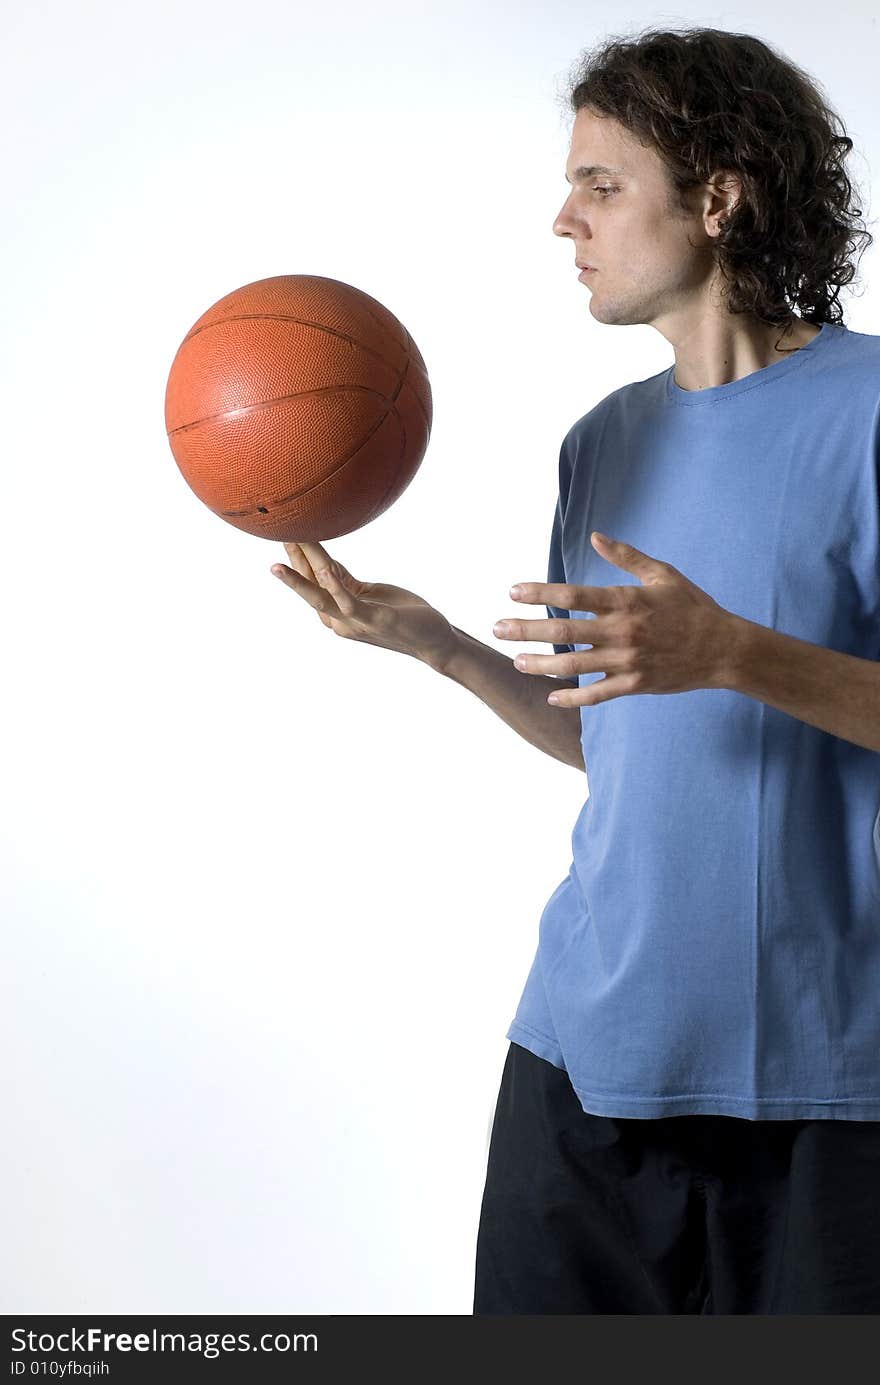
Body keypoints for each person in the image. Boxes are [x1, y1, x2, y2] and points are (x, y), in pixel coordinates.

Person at [270, 25, 880, 1314]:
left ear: (717, 197)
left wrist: (735, 654)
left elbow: (708, 665)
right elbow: (607, 731)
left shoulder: (870, 413)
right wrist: (435, 645)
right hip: (589, 1060)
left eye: (602, 184)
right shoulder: (601, 443)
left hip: (835, 1090)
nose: (564, 219)